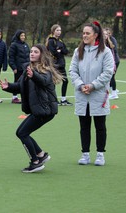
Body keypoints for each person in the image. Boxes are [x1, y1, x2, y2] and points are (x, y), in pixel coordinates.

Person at [0, 44, 63, 173]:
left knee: (22, 133)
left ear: (42, 55)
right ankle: (40, 154)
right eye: (31, 51)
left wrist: (33, 75)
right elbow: (20, 86)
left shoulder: (46, 70)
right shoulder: (29, 68)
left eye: (35, 52)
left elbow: (43, 81)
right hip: (39, 110)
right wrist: (8, 87)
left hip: (45, 110)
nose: (32, 54)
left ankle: (35, 162)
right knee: (23, 132)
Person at [69, 21, 114, 166]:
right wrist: (80, 85)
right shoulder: (78, 51)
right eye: (83, 33)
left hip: (98, 94)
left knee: (100, 126)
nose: (84, 35)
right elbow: (72, 71)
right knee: (84, 126)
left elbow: (107, 72)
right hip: (82, 94)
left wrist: (93, 86)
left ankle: (100, 154)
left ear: (95, 35)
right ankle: (85, 154)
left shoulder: (105, 52)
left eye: (87, 33)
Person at [46, 24, 71, 105]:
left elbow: (66, 51)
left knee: (65, 81)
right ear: (53, 31)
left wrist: (60, 50)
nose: (59, 32)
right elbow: (53, 52)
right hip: (54, 64)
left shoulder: (60, 41)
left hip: (61, 64)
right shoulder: (51, 41)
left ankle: (63, 99)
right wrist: (58, 51)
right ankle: (53, 100)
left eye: (60, 30)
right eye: (57, 30)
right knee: (53, 82)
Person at [8, 29, 30, 104]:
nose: (23, 37)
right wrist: (14, 67)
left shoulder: (26, 45)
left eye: (24, 35)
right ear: (18, 36)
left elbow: (28, 56)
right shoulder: (14, 45)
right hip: (18, 68)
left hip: (26, 68)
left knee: (26, 82)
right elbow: (11, 57)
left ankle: (24, 97)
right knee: (17, 82)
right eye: (21, 35)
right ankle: (14, 97)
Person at [104, 27, 120, 99]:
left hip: (114, 61)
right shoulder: (103, 42)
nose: (105, 35)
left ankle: (114, 93)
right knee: (109, 77)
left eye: (106, 34)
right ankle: (113, 90)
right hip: (109, 62)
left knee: (111, 77)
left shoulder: (111, 41)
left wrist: (113, 65)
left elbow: (114, 52)